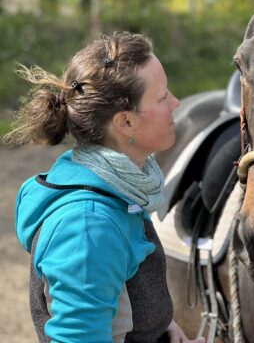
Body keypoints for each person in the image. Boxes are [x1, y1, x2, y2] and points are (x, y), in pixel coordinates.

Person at [5, 32, 205, 343]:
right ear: (126, 123)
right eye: (163, 97)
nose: (176, 103)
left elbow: (122, 299)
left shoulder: (120, 189)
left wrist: (161, 326)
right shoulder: (88, 227)